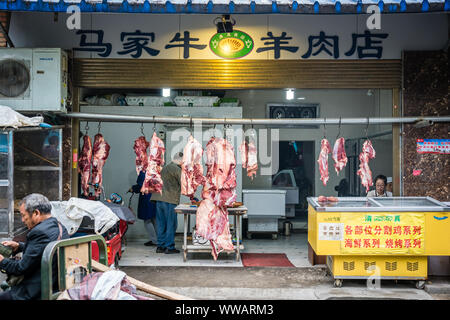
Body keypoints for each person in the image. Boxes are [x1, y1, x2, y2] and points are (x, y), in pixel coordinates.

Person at [0, 193, 69, 300]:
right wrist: (19, 246)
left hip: (36, 290)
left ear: (36, 213)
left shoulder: (38, 232)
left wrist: (2, 261)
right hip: (56, 284)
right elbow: (43, 248)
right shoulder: (59, 226)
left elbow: (21, 268)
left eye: (23, 215)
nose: (22, 220)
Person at [151, 152, 183, 254]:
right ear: (180, 160)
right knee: (171, 224)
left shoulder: (165, 168)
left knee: (161, 224)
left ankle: (160, 246)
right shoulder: (177, 169)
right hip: (170, 200)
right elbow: (184, 184)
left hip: (159, 199)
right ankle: (170, 247)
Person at [130, 170, 158, 246]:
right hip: (155, 196)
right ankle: (159, 239)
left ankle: (155, 241)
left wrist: (133, 188)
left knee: (147, 220)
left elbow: (140, 186)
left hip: (146, 198)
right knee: (154, 219)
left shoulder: (143, 172)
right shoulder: (154, 171)